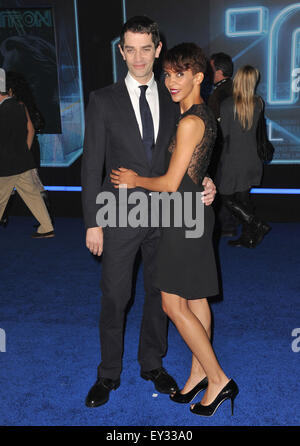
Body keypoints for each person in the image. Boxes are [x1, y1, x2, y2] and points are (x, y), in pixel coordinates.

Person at [81, 16, 217, 408]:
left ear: (158, 50)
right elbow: (92, 166)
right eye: (130, 48)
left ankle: (152, 362)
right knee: (115, 295)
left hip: (169, 212)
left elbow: (194, 153)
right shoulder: (102, 99)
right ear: (121, 51)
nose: (138, 57)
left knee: (162, 294)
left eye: (146, 48)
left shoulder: (175, 93)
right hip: (119, 213)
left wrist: (208, 183)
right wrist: (93, 221)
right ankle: (108, 373)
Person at [110, 43, 238, 417]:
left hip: (183, 218)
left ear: (199, 76)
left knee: (171, 302)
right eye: (167, 74)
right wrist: (205, 182)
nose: (171, 81)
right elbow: (195, 170)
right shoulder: (202, 115)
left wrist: (134, 179)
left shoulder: (189, 121)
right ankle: (199, 373)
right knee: (196, 299)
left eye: (179, 73)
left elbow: (169, 182)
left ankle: (217, 379)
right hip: (192, 214)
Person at [216, 65, 271, 248]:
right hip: (252, 159)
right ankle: (248, 237)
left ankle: (257, 224)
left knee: (226, 198)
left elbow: (223, 135)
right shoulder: (259, 102)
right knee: (243, 199)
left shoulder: (227, 104)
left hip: (233, 159)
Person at [0, 69, 54, 238]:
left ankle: (46, 227)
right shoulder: (20, 106)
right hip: (23, 161)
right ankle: (46, 227)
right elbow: (29, 130)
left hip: (6, 165)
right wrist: (24, 152)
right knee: (33, 195)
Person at [207, 52, 238, 237]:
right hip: (233, 150)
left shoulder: (221, 93)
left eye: (210, 69)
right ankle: (229, 225)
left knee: (221, 187)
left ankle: (227, 226)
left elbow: (217, 124)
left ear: (218, 71)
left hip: (223, 150)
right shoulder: (233, 89)